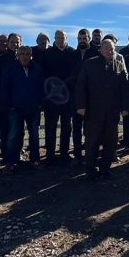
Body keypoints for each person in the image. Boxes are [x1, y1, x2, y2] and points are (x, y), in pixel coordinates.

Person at [75, 39, 129, 179]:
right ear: (100, 50)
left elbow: (124, 88)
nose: (109, 51)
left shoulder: (119, 65)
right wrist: (81, 106)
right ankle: (90, 171)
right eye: (106, 48)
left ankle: (105, 169)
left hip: (112, 111)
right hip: (93, 111)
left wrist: (124, 107)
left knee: (110, 142)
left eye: (112, 49)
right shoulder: (90, 64)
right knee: (92, 142)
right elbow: (80, 86)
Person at [1, 45, 46, 172]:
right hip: (16, 108)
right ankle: (11, 162)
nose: (25, 56)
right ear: (17, 56)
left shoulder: (37, 68)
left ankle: (35, 160)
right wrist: (9, 105)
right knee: (14, 135)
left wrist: (40, 103)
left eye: (27, 54)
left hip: (34, 108)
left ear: (31, 56)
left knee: (35, 135)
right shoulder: (10, 69)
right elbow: (4, 88)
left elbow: (43, 86)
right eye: (22, 54)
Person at [42, 30, 76, 164]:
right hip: (51, 98)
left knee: (67, 127)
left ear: (66, 38)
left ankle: (64, 153)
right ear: (54, 39)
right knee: (50, 127)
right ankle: (50, 155)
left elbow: (74, 73)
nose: (61, 40)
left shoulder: (72, 53)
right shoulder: (47, 54)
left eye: (63, 37)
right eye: (58, 37)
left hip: (67, 97)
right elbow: (43, 74)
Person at [66, 30, 98, 162]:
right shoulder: (72, 54)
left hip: (91, 97)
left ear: (89, 39)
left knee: (90, 128)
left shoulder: (96, 53)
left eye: (85, 38)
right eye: (80, 38)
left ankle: (90, 154)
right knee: (76, 127)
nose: (82, 40)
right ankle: (77, 155)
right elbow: (68, 73)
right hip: (75, 96)